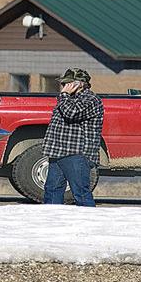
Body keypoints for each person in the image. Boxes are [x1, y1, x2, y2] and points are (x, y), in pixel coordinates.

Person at [42, 68, 104, 207]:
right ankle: (51, 221)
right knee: (51, 190)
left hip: (76, 154)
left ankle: (89, 223)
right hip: (58, 152)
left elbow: (71, 113)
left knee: (80, 193)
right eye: (64, 84)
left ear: (80, 83)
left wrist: (64, 95)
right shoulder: (68, 99)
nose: (64, 87)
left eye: (67, 83)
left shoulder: (91, 99)